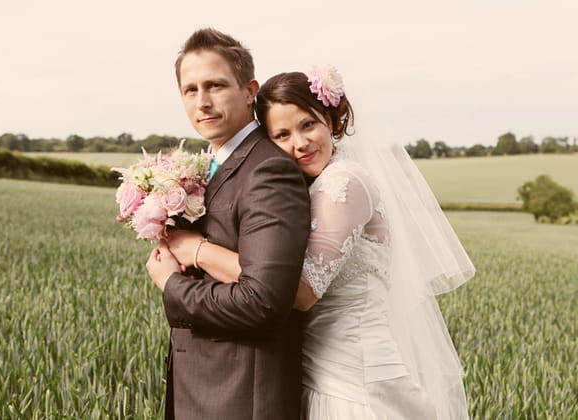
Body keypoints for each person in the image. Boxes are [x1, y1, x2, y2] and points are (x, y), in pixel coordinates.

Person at [163, 67, 475, 419]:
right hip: (320, 372)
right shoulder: (315, 184)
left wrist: (200, 250)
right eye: (282, 135)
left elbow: (300, 291)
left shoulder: (343, 182)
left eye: (307, 125)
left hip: (352, 379)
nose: (299, 143)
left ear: (329, 119)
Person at [145, 28, 311, 420]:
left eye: (215, 85)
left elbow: (263, 302)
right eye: (190, 89)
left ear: (250, 89)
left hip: (239, 398)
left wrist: (172, 284)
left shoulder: (268, 170)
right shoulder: (210, 164)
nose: (202, 102)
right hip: (202, 388)